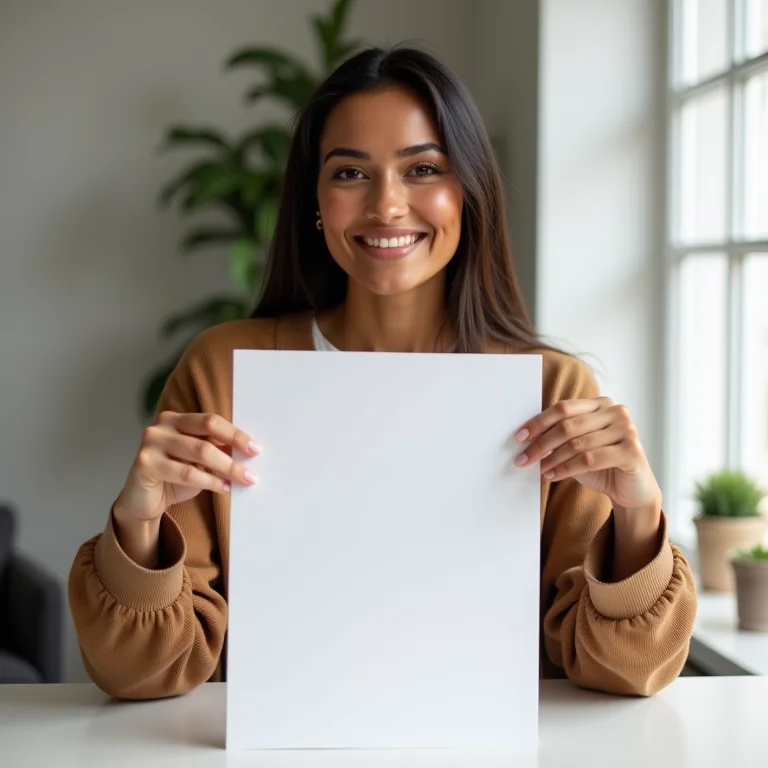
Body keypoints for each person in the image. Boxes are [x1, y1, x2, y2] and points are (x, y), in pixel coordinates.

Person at [69, 45, 696, 701]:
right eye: (349, 174)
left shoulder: (553, 392)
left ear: (469, 193)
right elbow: (141, 676)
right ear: (315, 200)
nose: (387, 206)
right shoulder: (224, 371)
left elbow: (620, 672)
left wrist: (640, 516)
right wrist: (138, 527)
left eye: (423, 168)